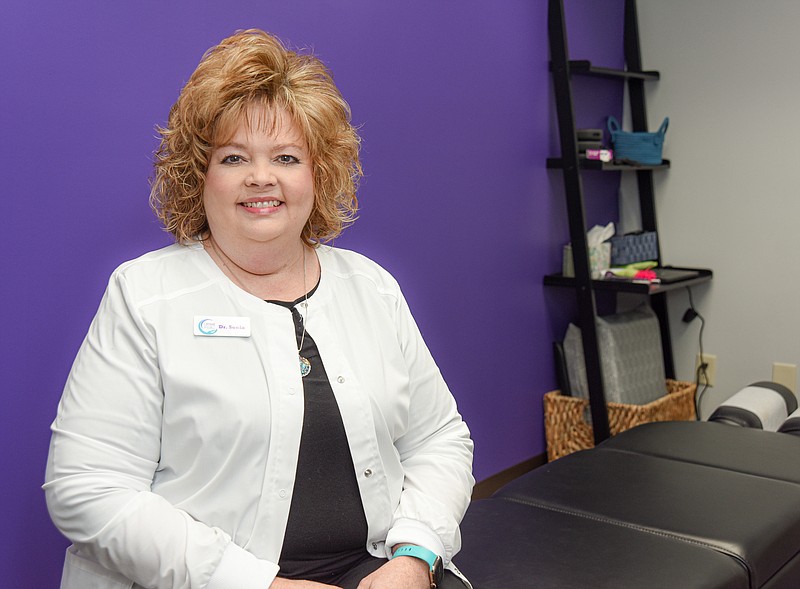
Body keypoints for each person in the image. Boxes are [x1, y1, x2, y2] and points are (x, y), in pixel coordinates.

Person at [44, 29, 474, 589]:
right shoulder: (144, 295)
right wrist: (255, 583)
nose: (261, 177)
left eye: (287, 157)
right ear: (199, 176)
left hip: (381, 571)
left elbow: (438, 437)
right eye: (234, 157)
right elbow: (87, 486)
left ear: (317, 176)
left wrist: (416, 554)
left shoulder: (372, 288)